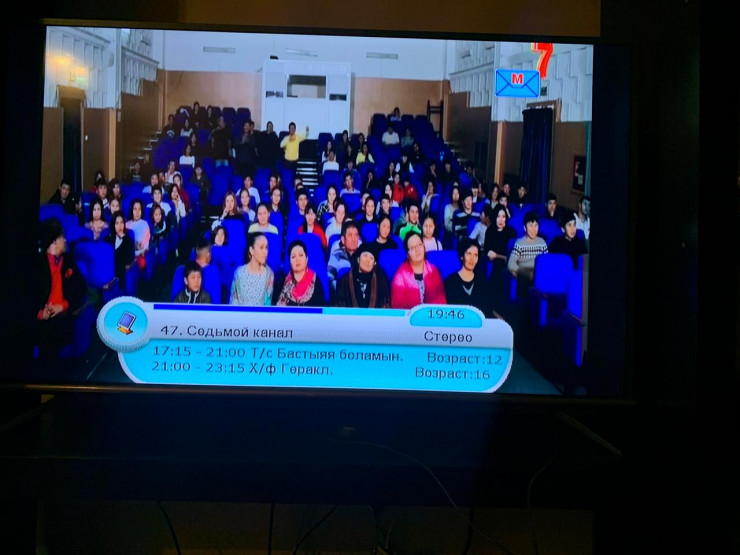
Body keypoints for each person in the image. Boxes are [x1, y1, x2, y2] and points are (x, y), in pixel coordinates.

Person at [36, 218, 88, 367]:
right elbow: (27, 296)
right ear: (53, 241)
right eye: (61, 237)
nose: (65, 240)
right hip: (42, 319)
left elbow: (81, 287)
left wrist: (63, 305)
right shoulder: (37, 264)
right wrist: (41, 313)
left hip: (63, 316)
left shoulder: (68, 260)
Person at [390, 231, 446, 309]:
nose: (417, 250)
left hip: (431, 315)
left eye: (419, 245)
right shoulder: (400, 277)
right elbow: (399, 308)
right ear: (407, 254)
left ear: (424, 247)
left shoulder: (433, 271)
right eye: (412, 248)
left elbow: (440, 302)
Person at [444, 238, 492, 317]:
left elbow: (487, 310)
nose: (472, 259)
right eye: (469, 253)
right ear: (462, 256)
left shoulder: (483, 281)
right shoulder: (450, 282)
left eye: (475, 255)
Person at [334, 243, 391, 309]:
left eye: (371, 258)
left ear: (374, 264)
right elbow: (339, 306)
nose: (367, 260)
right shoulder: (344, 280)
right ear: (358, 259)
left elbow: (385, 305)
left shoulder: (381, 280)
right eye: (365, 255)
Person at [230, 232, 275, 306]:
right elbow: (234, 300)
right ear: (251, 250)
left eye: (266, 248)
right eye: (261, 248)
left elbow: (267, 303)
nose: (265, 252)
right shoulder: (239, 273)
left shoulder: (269, 274)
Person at [275, 239, 325, 307]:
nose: (297, 259)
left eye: (301, 255)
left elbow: (320, 309)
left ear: (306, 259)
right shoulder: (283, 281)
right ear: (290, 261)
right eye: (293, 257)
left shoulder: (316, 281)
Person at [508, 211, 548, 281]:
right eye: (530, 226)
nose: (534, 229)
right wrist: (523, 273)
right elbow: (511, 264)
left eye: (536, 225)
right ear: (525, 228)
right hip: (524, 276)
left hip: (539, 276)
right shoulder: (519, 243)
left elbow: (547, 262)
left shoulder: (542, 242)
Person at [484, 203, 518, 279]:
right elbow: (487, 251)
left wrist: (496, 255)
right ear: (494, 217)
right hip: (494, 265)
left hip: (507, 265)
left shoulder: (511, 232)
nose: (501, 220)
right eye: (498, 216)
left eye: (503, 216)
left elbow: (511, 257)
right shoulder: (490, 231)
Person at [105, 212, 135, 286]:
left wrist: (123, 239)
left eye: (122, 223)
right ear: (113, 225)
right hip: (107, 271)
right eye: (117, 223)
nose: (120, 226)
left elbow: (129, 260)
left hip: (119, 275)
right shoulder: (107, 239)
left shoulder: (128, 240)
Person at [328, 220, 362, 285]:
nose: (354, 239)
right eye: (350, 235)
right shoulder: (336, 255)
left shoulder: (363, 255)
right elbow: (329, 277)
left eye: (356, 235)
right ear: (343, 240)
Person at [126, 199, 151, 271]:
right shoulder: (127, 224)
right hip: (128, 253)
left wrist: (138, 252)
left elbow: (145, 246)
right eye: (135, 209)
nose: (137, 212)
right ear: (132, 210)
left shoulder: (144, 224)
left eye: (139, 209)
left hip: (140, 254)